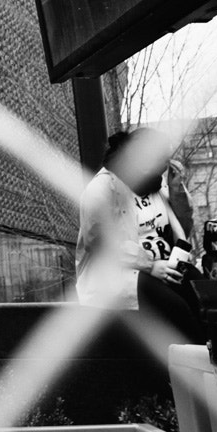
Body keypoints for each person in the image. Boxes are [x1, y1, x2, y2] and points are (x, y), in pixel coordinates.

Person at [75, 126, 205, 344]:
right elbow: (98, 242)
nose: (164, 167)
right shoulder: (102, 189)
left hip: (165, 266)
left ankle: (215, 358)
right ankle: (191, 366)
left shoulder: (157, 186)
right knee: (177, 309)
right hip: (123, 274)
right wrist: (151, 266)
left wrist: (176, 189)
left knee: (206, 296)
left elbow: (183, 229)